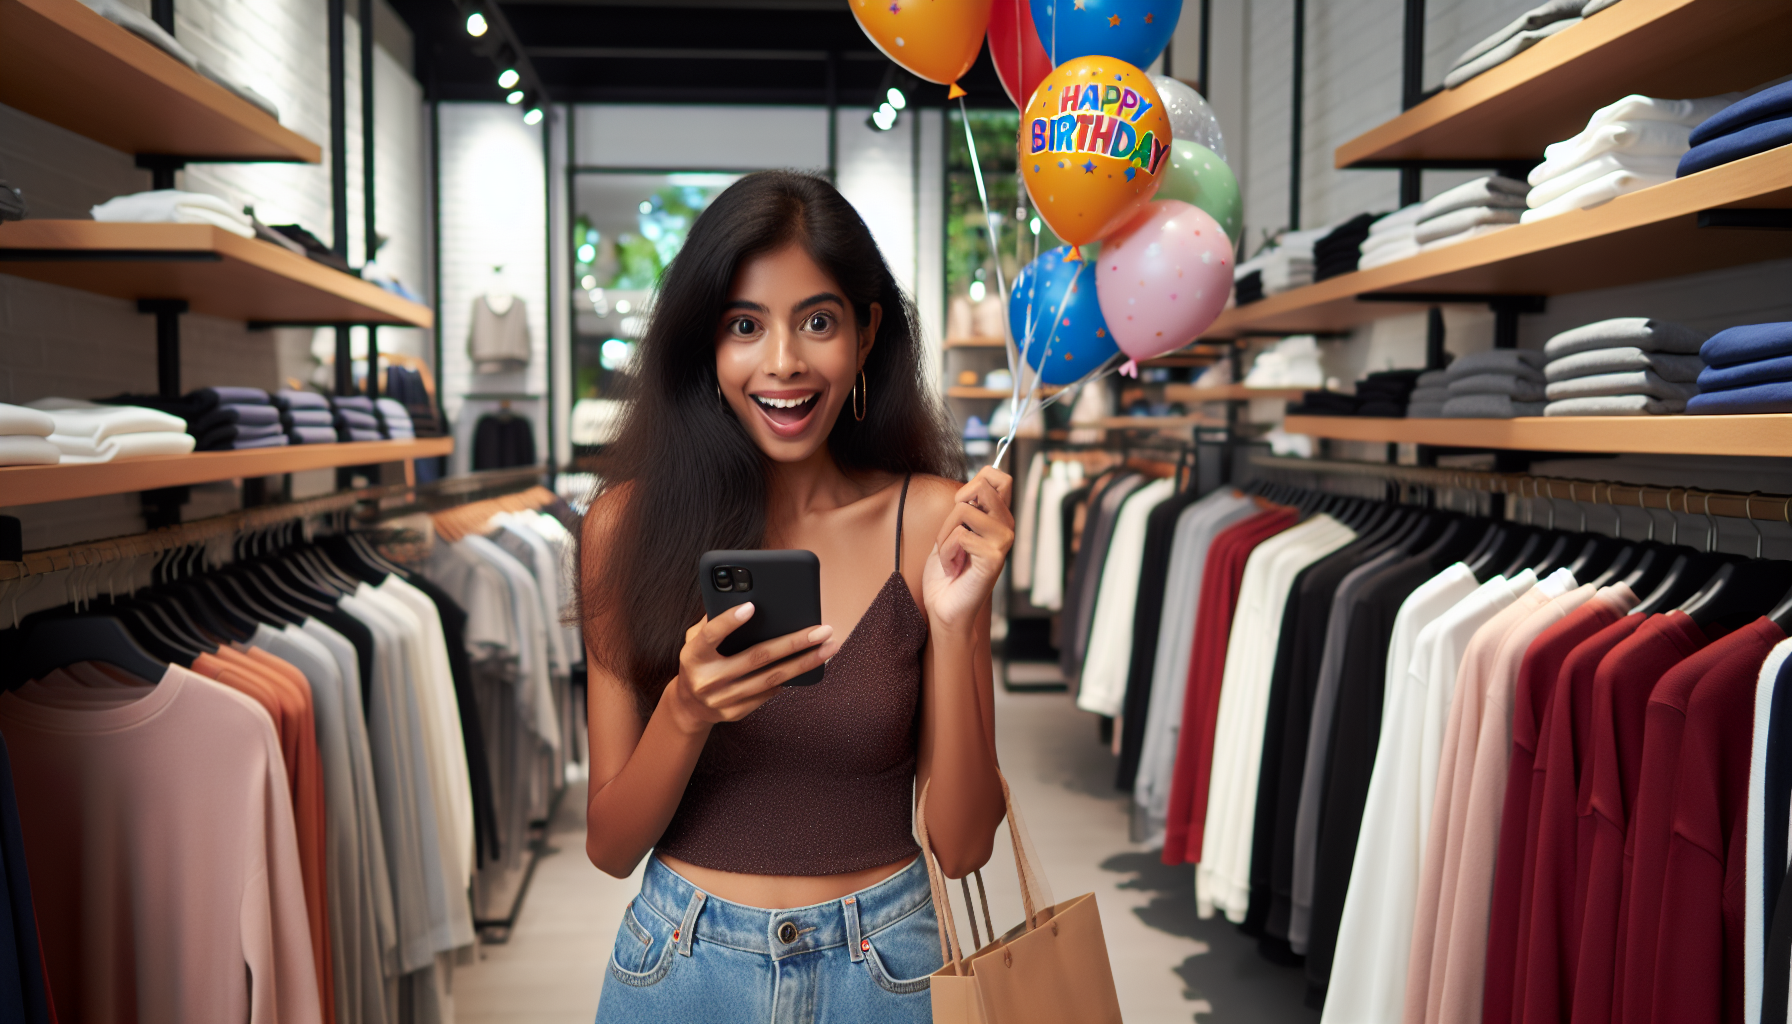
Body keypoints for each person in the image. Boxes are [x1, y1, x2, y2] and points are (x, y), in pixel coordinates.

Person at [579, 170, 1012, 1022]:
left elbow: (962, 848)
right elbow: (610, 846)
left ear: (864, 333)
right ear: (706, 342)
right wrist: (684, 711)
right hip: (682, 967)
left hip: (886, 972)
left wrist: (956, 629)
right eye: (746, 325)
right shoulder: (624, 527)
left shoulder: (930, 519)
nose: (783, 361)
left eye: (817, 321)